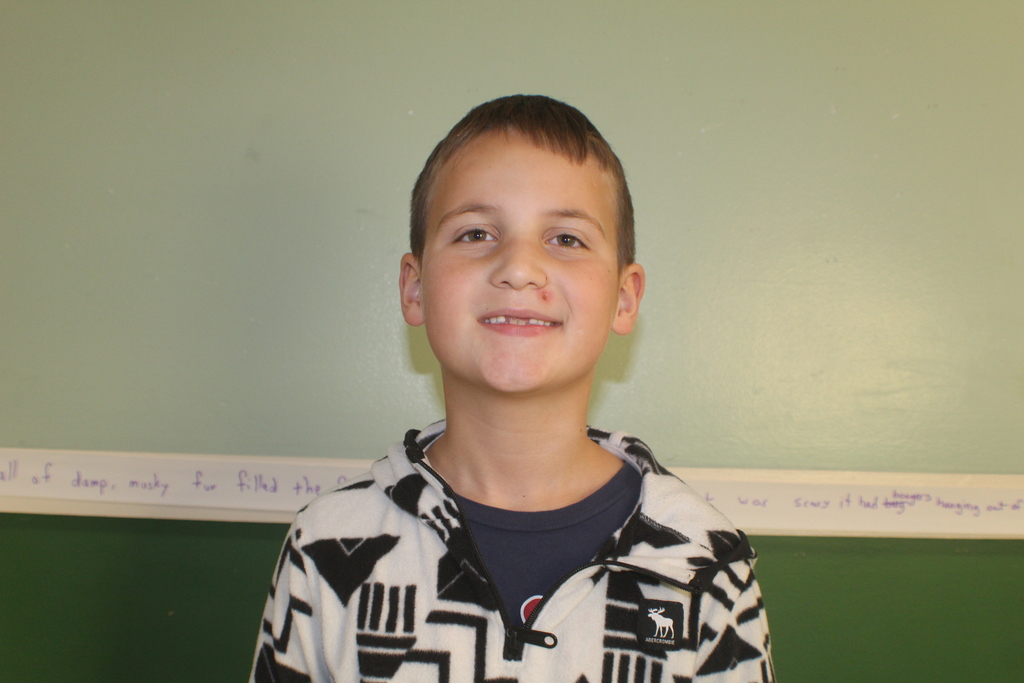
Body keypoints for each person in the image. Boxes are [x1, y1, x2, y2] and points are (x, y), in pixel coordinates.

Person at [251, 95, 774, 683]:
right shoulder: (329, 546)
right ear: (415, 289)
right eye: (476, 233)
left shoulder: (701, 564)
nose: (519, 267)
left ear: (624, 298)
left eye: (567, 239)